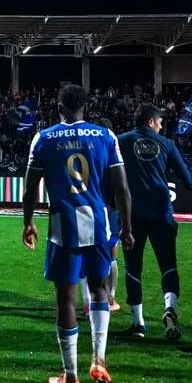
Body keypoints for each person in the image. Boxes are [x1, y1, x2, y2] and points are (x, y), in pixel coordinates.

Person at [22, 84, 134, 383]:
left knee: (66, 297)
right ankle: (98, 360)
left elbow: (31, 188)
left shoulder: (43, 138)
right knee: (99, 290)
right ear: (85, 106)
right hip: (98, 224)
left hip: (64, 227)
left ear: (58, 106)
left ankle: (70, 377)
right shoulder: (105, 136)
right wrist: (126, 227)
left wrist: (28, 221)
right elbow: (122, 189)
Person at [116, 104, 192, 340]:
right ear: (151, 122)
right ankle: (169, 308)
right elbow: (188, 181)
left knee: (133, 267)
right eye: (160, 123)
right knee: (168, 264)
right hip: (161, 212)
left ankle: (138, 324)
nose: (161, 127)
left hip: (133, 215)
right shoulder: (167, 144)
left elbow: (109, 172)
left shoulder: (120, 141)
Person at [80, 117, 121, 315]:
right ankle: (108, 297)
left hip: (91, 209)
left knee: (86, 253)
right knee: (110, 254)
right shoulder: (111, 151)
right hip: (107, 210)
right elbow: (120, 185)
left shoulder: (90, 151)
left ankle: (90, 300)